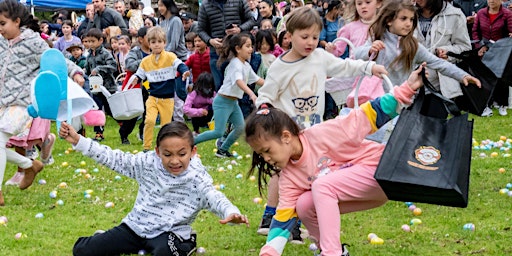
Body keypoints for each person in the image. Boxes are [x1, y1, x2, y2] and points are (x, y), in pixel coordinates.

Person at [248, 64, 428, 256]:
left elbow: (367, 115)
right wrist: (268, 253)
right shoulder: (289, 177)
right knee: (303, 206)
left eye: (267, 150)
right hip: (361, 192)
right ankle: (333, 250)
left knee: (322, 185)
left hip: (378, 171)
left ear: (285, 136)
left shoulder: (322, 134)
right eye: (261, 155)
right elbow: (283, 218)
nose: (266, 159)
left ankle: (331, 253)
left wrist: (408, 88)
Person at [253, 6, 387, 244]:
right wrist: (264, 108)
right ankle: (274, 219)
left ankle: (291, 220)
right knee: (285, 177)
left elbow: (344, 66)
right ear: (289, 34)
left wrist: (368, 67)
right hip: (288, 138)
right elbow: (266, 93)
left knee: (310, 178)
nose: (311, 42)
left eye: (315, 37)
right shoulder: (279, 67)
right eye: (304, 37)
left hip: (312, 134)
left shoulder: (320, 57)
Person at [58, 121, 250, 256]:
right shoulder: (147, 163)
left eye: (182, 154)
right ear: (158, 152)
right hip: (136, 227)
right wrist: (78, 140)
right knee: (82, 250)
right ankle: (105, 239)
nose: (175, 161)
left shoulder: (197, 178)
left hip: (169, 233)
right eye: (167, 154)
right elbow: (114, 158)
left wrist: (231, 212)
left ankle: (187, 244)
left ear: (193, 151)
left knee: (166, 252)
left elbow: (214, 197)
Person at [0, 0, 84, 205]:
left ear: (17, 21)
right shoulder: (1, 42)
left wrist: (76, 72)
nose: (0, 29)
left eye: (2, 23)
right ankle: (30, 165)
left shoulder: (33, 41)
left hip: (22, 104)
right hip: (2, 101)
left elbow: (56, 59)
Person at [354, 0, 481, 117]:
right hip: (377, 100)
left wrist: (462, 76)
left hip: (404, 102)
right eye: (403, 19)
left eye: (411, 19)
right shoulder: (377, 39)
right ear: (389, 20)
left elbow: (438, 63)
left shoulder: (413, 46)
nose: (408, 24)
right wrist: (370, 50)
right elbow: (357, 54)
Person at [194, 33, 264, 158]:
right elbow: (239, 81)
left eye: (251, 46)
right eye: (247, 46)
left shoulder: (246, 65)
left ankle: (222, 150)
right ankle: (190, 142)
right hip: (223, 101)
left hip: (233, 102)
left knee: (240, 128)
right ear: (238, 49)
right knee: (218, 131)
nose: (251, 49)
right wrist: (251, 94)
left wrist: (274, 85)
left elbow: (257, 79)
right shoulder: (235, 63)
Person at [130, 27, 190, 152]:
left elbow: (180, 65)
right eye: (153, 42)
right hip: (152, 97)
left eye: (159, 42)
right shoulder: (145, 61)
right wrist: (135, 78)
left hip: (167, 99)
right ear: (149, 43)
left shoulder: (170, 56)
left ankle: (163, 147)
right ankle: (146, 148)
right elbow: (139, 74)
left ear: (164, 43)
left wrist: (184, 72)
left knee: (165, 126)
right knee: (149, 120)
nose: (156, 45)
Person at [413, 0, 473, 117]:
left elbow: (465, 47)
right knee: (407, 130)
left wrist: (447, 51)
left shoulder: (454, 15)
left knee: (435, 129)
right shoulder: (407, 13)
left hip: (439, 87)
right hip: (410, 84)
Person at [197, 0, 256, 90]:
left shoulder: (239, 1)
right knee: (220, 88)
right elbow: (201, 30)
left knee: (242, 87)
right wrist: (210, 41)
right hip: (217, 52)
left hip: (238, 51)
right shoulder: (205, 4)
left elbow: (251, 20)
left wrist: (239, 29)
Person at [472, 0, 512, 116]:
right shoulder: (480, 13)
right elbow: (475, 31)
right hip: (485, 50)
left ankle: (502, 104)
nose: (492, 1)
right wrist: (479, 46)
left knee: (501, 77)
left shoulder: (507, 14)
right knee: (485, 78)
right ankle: (486, 104)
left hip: (502, 50)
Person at [83, 28, 118, 142]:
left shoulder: (105, 54)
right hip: (95, 88)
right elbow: (88, 70)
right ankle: (98, 133)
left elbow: (113, 67)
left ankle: (124, 123)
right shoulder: (89, 56)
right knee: (97, 109)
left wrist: (99, 69)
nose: (90, 44)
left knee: (111, 109)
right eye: (88, 41)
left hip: (107, 87)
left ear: (100, 40)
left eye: (93, 41)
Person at [158, 0, 188, 123]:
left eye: (161, 5)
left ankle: (181, 119)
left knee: (178, 93)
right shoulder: (162, 22)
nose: (159, 8)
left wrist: (162, 56)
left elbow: (174, 43)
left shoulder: (176, 21)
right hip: (165, 61)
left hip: (177, 60)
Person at [120, 27, 150, 145]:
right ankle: (124, 134)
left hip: (151, 87)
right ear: (141, 39)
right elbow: (130, 66)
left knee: (148, 112)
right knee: (133, 114)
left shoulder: (156, 51)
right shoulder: (135, 52)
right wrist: (145, 61)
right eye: (149, 37)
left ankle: (143, 133)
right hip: (136, 87)